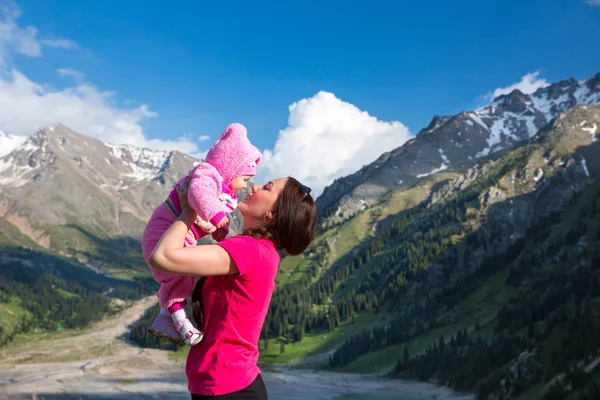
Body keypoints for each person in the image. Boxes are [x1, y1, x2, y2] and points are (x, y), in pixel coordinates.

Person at [149, 176, 317, 399]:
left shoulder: (250, 250)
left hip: (228, 387)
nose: (254, 186)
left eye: (266, 188)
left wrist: (188, 212)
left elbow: (163, 257)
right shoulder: (257, 251)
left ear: (272, 214)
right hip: (223, 385)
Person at [142, 123, 262, 347]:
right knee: (179, 277)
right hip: (162, 230)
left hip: (178, 233)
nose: (246, 186)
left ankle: (165, 320)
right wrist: (216, 218)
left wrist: (220, 228)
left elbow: (204, 210)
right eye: (245, 179)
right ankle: (181, 324)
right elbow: (198, 195)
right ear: (232, 168)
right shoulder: (207, 175)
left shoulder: (223, 189)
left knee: (182, 277)